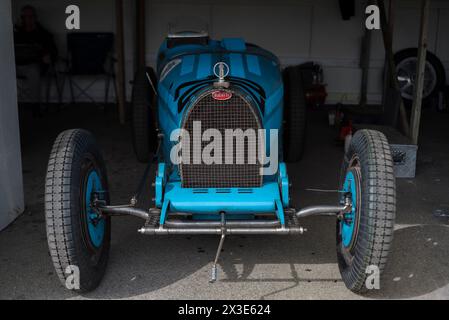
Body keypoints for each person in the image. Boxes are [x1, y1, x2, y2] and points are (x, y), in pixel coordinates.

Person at [14, 5, 57, 116]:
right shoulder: (15, 33)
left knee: (33, 70)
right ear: (22, 18)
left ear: (35, 17)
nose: (28, 19)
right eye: (25, 17)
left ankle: (35, 106)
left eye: (31, 16)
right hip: (14, 65)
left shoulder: (44, 34)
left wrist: (48, 57)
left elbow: (54, 52)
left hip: (33, 66)